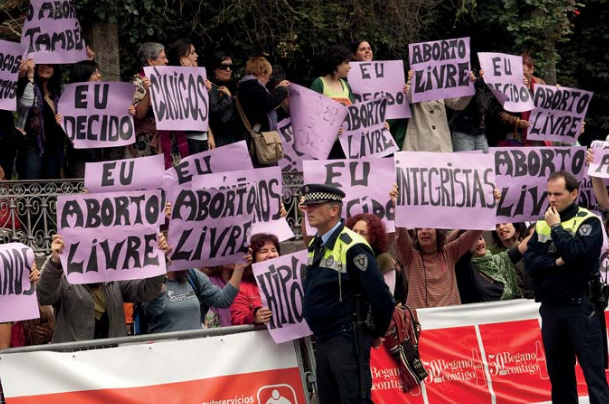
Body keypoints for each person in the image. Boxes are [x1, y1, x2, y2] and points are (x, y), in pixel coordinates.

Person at [301, 183, 394, 404]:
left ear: (334, 210)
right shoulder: (316, 243)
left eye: (315, 205)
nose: (308, 210)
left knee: (354, 400)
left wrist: (376, 331)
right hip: (324, 340)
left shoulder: (353, 246)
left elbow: (381, 297)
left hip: (346, 338)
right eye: (307, 206)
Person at [525, 171, 609, 404]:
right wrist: (554, 262)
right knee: (560, 378)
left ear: (573, 194)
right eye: (549, 194)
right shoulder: (542, 223)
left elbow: (576, 255)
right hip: (551, 309)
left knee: (594, 376)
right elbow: (530, 264)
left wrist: (557, 229)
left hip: (582, 308)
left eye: (557, 194)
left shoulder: (589, 221)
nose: (551, 199)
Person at [36, 234, 169, 343]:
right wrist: (55, 263)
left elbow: (146, 291)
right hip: (74, 366)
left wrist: (158, 262)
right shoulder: (65, 279)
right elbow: (45, 296)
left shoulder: (115, 278)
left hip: (111, 362)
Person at [391, 185, 486, 308]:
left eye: (429, 228)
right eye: (419, 229)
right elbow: (401, 237)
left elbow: (474, 232)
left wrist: (491, 207)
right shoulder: (410, 256)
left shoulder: (450, 252)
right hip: (420, 322)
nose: (424, 231)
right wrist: (397, 208)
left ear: (438, 232)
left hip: (450, 321)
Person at [143, 260, 246, 333]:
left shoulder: (192, 275)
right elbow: (152, 312)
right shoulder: (147, 279)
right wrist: (156, 283)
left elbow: (223, 300)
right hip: (163, 353)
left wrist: (239, 268)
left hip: (196, 350)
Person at [402, 69, 474, 152]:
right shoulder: (414, 75)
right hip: (419, 143)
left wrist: (469, 86)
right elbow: (410, 98)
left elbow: (458, 104)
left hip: (441, 144)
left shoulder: (443, 79)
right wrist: (415, 80)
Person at [236, 56, 289, 167]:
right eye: (268, 76)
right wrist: (281, 89)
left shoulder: (246, 86)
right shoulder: (252, 86)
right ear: (263, 73)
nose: (268, 80)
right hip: (259, 140)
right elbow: (268, 102)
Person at [15, 63, 66, 179]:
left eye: (50, 65)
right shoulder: (27, 84)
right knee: (32, 189)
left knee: (51, 190)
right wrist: (30, 75)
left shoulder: (58, 92)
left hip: (53, 148)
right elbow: (26, 103)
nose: (45, 67)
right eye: (42, 64)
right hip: (33, 147)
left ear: (55, 69)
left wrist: (62, 121)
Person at [167, 39, 215, 155]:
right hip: (187, 138)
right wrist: (187, 73)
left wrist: (209, 133)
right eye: (192, 53)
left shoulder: (199, 79)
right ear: (182, 58)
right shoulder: (171, 80)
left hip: (202, 136)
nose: (196, 56)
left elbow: (201, 110)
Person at [345, 213, 405, 299]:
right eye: (354, 231)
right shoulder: (343, 256)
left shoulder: (383, 259)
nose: (356, 235)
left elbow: (387, 296)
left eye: (363, 233)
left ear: (373, 237)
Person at [311, 45, 354, 159]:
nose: (349, 67)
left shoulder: (346, 85)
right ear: (335, 62)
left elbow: (354, 112)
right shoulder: (319, 83)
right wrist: (330, 128)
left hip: (345, 144)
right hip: (324, 145)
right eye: (346, 63)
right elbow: (311, 114)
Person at [230, 233, 278, 325]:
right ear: (253, 258)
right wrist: (254, 316)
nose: (271, 255)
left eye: (274, 250)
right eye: (264, 251)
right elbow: (237, 319)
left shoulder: (290, 282)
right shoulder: (242, 289)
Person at [131, 43, 168, 161]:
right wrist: (148, 92)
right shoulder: (139, 81)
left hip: (168, 138)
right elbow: (139, 114)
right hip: (146, 139)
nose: (167, 61)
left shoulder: (169, 80)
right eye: (163, 58)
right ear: (151, 61)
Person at [491, 222, 535, 298]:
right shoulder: (492, 254)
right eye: (497, 225)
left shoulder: (530, 250)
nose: (501, 227)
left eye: (505, 223)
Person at [208, 51, 239, 147]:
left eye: (231, 67)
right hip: (222, 142)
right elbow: (221, 118)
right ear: (215, 68)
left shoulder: (235, 87)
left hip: (237, 140)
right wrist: (227, 98)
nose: (228, 69)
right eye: (223, 66)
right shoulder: (211, 88)